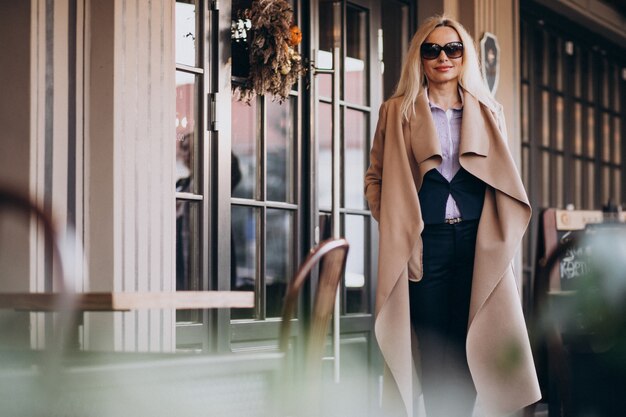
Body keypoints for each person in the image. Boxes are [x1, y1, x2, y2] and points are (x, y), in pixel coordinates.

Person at [364, 15, 541, 417]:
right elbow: (375, 178)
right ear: (419, 59)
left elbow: (505, 181)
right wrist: (393, 222)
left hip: (479, 243)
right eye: (432, 50)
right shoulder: (396, 112)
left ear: (465, 56)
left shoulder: (489, 112)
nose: (443, 57)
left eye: (453, 48)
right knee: (434, 343)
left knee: (475, 340)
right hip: (426, 245)